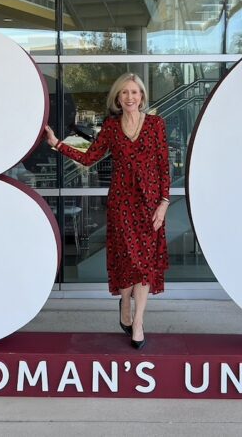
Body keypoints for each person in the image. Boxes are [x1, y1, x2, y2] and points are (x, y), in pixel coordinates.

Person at [44, 72, 170, 349]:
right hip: (121, 204)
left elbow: (163, 165)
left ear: (142, 96)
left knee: (145, 265)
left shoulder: (156, 124)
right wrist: (57, 144)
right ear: (117, 97)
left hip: (150, 205)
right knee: (128, 261)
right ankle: (124, 301)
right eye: (124, 92)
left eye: (134, 92)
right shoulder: (111, 128)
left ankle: (137, 322)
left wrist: (164, 203)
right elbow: (89, 158)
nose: (130, 97)